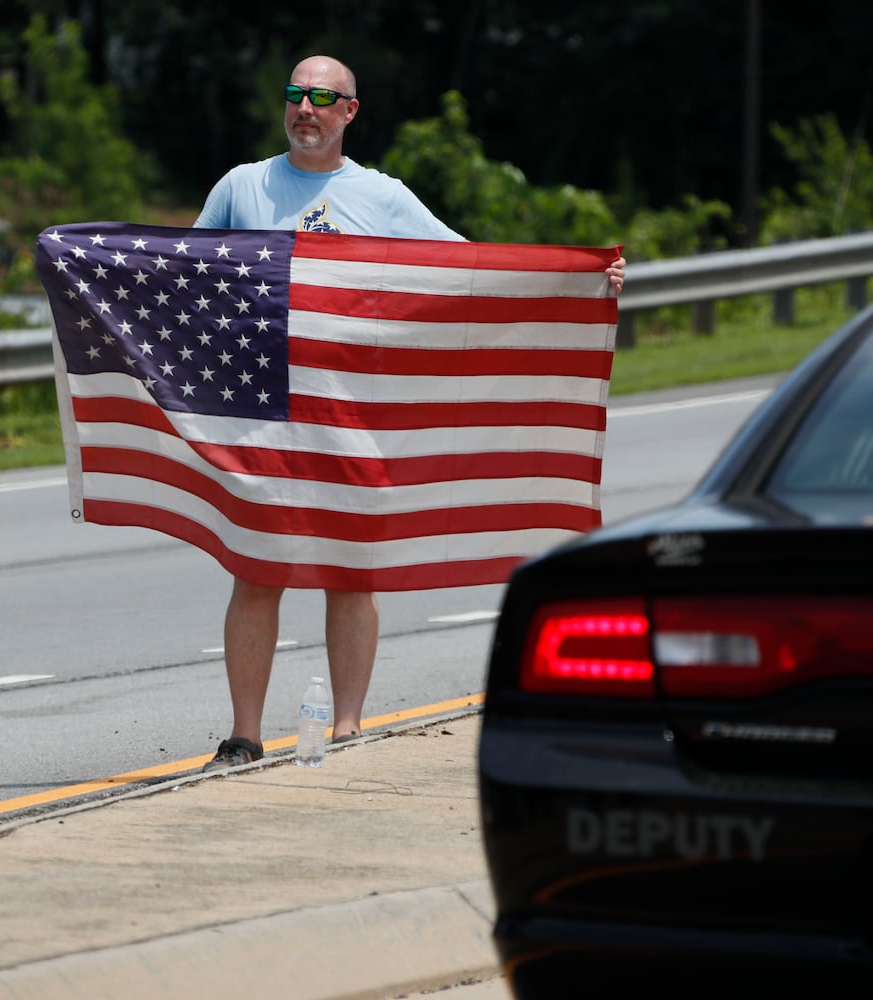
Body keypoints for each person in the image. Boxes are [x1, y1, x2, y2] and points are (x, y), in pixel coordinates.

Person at [195, 54, 626, 771]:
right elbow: (185, 272)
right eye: (296, 96)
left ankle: (349, 730)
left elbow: (474, 270)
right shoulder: (243, 186)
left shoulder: (385, 197)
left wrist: (583, 279)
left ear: (349, 112)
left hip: (355, 412)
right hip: (263, 414)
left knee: (351, 573)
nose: (306, 109)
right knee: (257, 568)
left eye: (322, 99)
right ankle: (243, 737)